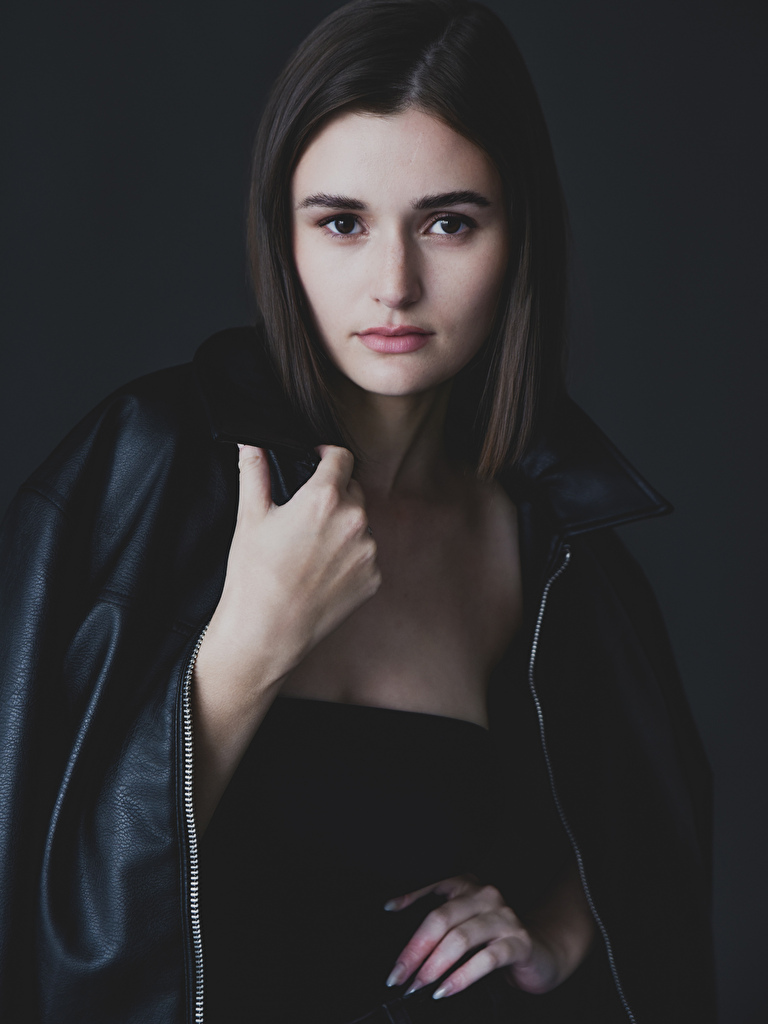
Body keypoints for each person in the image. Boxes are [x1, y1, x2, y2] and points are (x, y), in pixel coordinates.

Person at [0, 1, 715, 1022]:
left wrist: (556, 927)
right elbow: (40, 896)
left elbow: (657, 828)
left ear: (519, 235)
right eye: (342, 222)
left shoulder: (550, 540)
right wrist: (249, 647)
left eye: (449, 223)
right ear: (282, 235)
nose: (394, 284)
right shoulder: (140, 468)